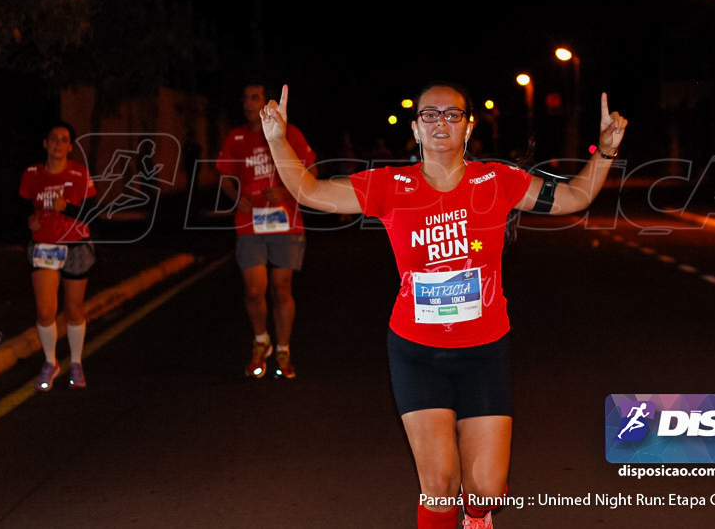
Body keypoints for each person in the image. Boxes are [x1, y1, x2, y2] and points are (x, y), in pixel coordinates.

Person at [261, 81, 627, 528]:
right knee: (438, 483)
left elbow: (575, 196)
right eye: (429, 115)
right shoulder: (389, 185)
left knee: (487, 488)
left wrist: (605, 152)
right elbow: (310, 192)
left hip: (484, 352)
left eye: (452, 114)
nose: (441, 122)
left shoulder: (497, 180)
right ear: (415, 128)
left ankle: (477, 516)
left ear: (468, 127)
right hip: (417, 352)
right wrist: (277, 141)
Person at [216, 82, 317, 379]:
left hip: (286, 223)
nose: (249, 103)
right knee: (253, 289)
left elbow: (312, 172)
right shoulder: (235, 137)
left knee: (281, 288)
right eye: (245, 98)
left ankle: (283, 349)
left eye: (255, 97)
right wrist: (238, 197)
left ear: (267, 102)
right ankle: (261, 341)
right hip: (250, 223)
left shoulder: (290, 132)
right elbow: (224, 178)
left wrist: (286, 192)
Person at [19, 121, 97, 391]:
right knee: (45, 311)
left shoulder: (79, 173)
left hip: (75, 245)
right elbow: (21, 207)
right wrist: (29, 221)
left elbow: (91, 211)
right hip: (44, 245)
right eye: (53, 138)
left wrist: (69, 208)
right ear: (45, 143)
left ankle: (76, 363)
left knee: (73, 310)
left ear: (70, 147)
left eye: (64, 140)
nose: (58, 144)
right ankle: (51, 362)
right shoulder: (32, 174)